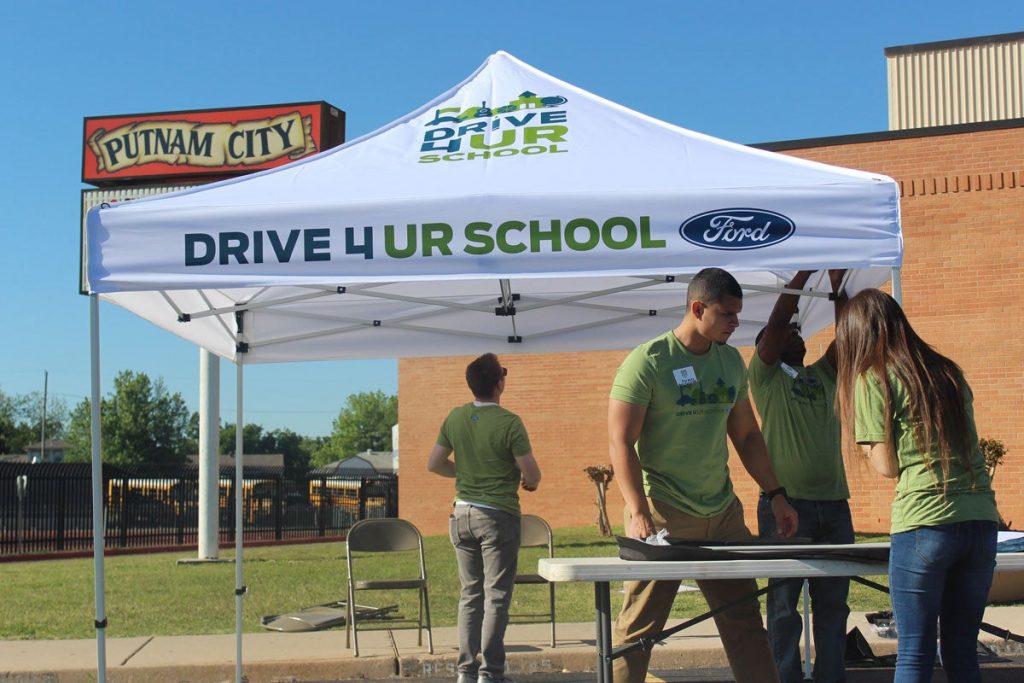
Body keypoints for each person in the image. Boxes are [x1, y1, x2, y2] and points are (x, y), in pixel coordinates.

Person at [608, 267, 799, 683]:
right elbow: (620, 442)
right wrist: (637, 510)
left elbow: (747, 435)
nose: (735, 323)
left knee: (745, 623)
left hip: (722, 514)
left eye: (738, 314)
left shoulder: (730, 361)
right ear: (697, 308)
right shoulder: (648, 361)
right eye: (727, 314)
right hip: (663, 514)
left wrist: (777, 494)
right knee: (638, 630)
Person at [834, 288, 999, 683]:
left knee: (914, 653)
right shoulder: (947, 371)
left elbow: (887, 465)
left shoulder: (873, 376)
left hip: (924, 522)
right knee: (962, 652)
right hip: (980, 521)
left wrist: (866, 446)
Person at [750, 269, 853, 683]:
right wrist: (803, 274)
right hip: (786, 506)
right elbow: (776, 325)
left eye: (799, 331)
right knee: (783, 605)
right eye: (788, 333)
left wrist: (837, 287)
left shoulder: (823, 374)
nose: (796, 334)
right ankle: (786, 677)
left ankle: (831, 677)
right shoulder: (765, 377)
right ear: (768, 348)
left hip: (834, 506)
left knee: (834, 605)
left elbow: (849, 337)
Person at [427, 352, 542, 683]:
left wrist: (466, 471)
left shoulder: (455, 417)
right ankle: (490, 673)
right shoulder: (509, 423)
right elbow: (532, 474)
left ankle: (465, 671)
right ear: (499, 383)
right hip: (497, 516)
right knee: (496, 596)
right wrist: (527, 482)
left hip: (461, 514)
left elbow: (434, 464)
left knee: (470, 595)